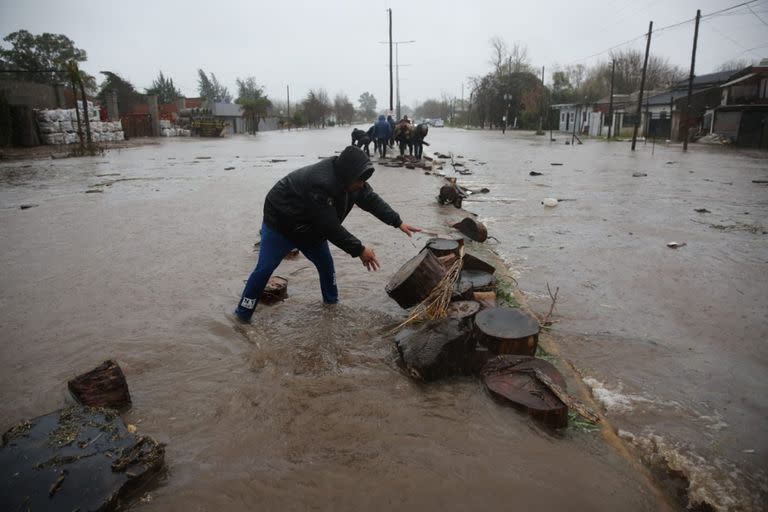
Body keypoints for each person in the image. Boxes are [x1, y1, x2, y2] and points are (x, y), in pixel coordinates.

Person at [234, 145, 421, 323]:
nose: (362, 184)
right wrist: (360, 249)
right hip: (281, 224)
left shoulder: (354, 183)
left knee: (327, 267)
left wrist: (398, 222)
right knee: (264, 269)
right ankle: (243, 315)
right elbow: (329, 227)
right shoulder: (320, 183)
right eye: (359, 180)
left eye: (363, 180)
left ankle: (331, 307)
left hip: (311, 228)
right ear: (347, 175)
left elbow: (371, 200)